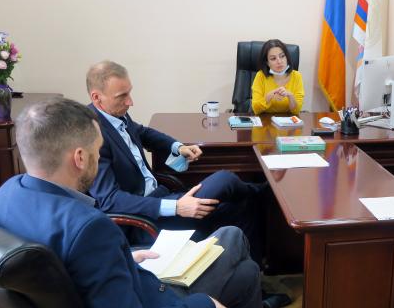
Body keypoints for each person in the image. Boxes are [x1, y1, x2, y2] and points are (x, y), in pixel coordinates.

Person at [0, 97, 269, 308]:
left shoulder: (5, 195)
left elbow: (67, 267)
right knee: (232, 236)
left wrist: (122, 259)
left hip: (104, 302)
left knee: (245, 275)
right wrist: (205, 305)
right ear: (80, 158)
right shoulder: (90, 229)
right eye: (97, 151)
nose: (98, 159)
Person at [85, 61, 263, 251]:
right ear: (97, 97)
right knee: (224, 180)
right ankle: (263, 190)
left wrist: (178, 147)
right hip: (144, 220)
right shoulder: (91, 135)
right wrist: (177, 207)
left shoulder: (114, 113)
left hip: (162, 197)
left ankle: (254, 263)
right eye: (122, 96)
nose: (130, 102)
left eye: (129, 93)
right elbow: (109, 200)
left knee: (244, 207)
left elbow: (142, 132)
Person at [251, 39, 304, 115]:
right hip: (265, 120)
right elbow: (256, 109)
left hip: (288, 120)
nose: (279, 61)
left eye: (282, 56)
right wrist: (270, 96)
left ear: (287, 57)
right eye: (273, 58)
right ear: (267, 63)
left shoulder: (296, 76)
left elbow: (296, 111)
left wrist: (290, 96)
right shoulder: (260, 76)